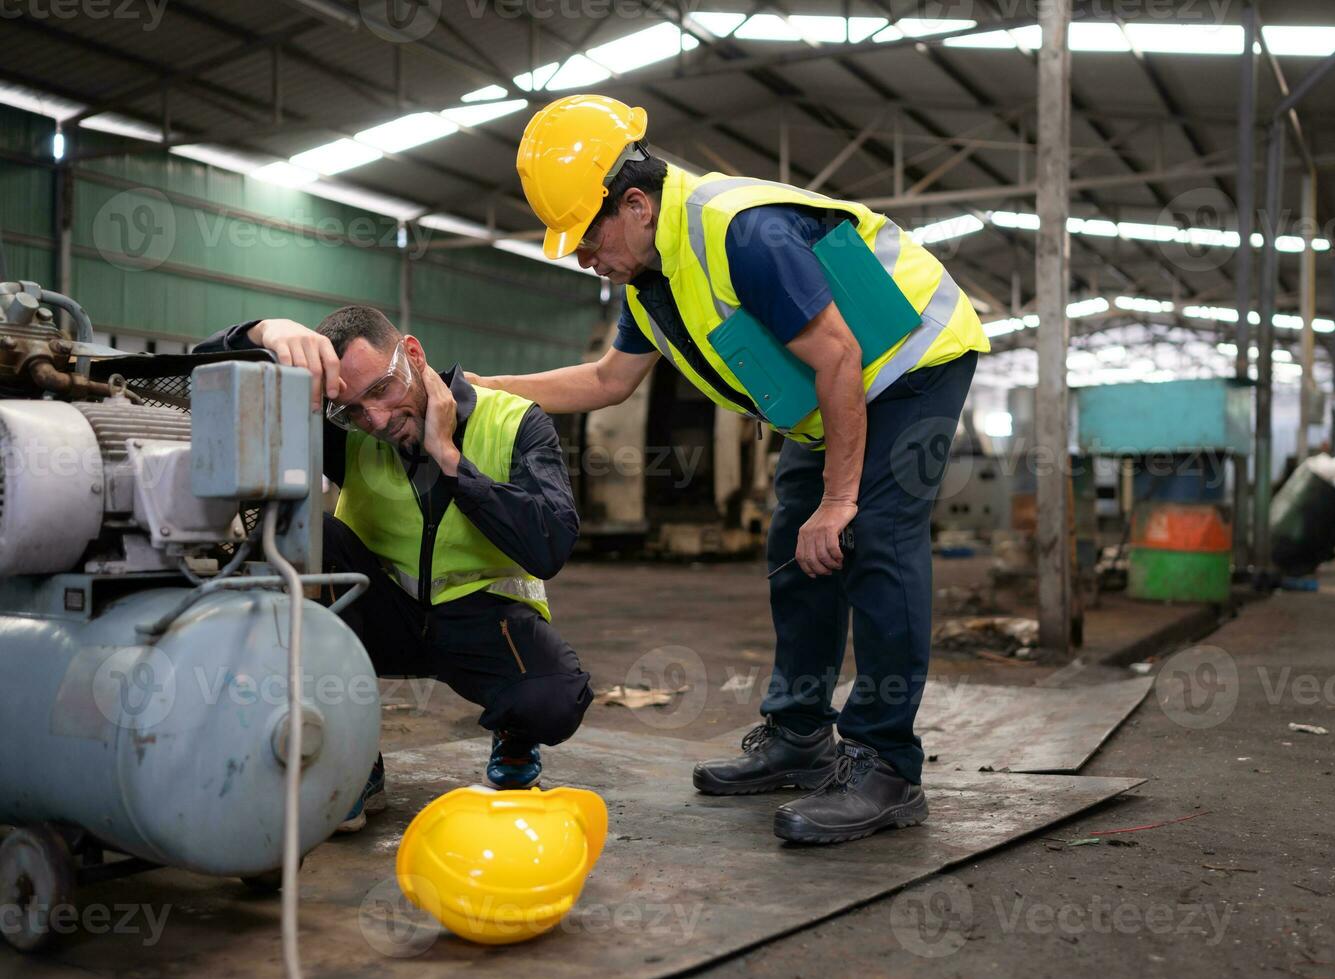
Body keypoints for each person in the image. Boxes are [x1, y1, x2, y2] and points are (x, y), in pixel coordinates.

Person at [467, 94, 989, 845]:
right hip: (836, 391)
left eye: (585, 236)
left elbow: (840, 353)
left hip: (910, 364)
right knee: (793, 546)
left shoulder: (742, 232)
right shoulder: (653, 282)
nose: (582, 257)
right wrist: (480, 387)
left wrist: (839, 501)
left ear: (636, 204)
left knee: (872, 536)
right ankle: (800, 737)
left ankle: (886, 766)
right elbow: (608, 383)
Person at [196, 308, 591, 832]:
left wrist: (450, 460)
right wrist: (262, 331)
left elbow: (550, 545)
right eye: (353, 409)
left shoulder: (515, 421)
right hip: (382, 615)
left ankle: (516, 740)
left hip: (483, 623)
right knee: (307, 534)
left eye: (382, 389)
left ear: (414, 355)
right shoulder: (351, 429)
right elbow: (196, 376)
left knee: (553, 699)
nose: (375, 420)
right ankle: (351, 752)